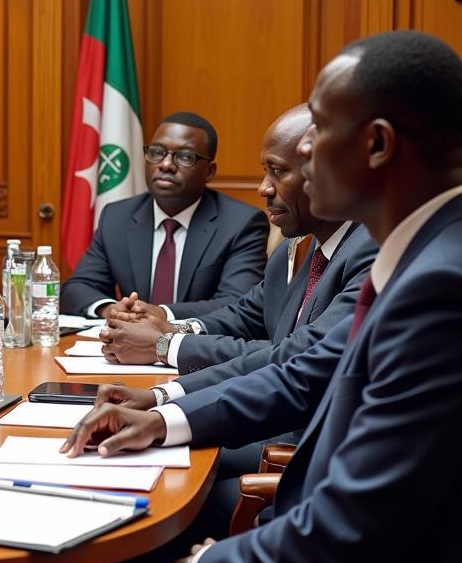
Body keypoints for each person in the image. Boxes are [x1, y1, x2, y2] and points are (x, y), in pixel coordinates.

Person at [64, 30, 462, 563]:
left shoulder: (440, 285)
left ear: (376, 144)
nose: (301, 158)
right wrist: (165, 416)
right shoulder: (423, 251)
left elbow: (348, 526)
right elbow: (307, 379)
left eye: (318, 131)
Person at [98, 104, 376, 387]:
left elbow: (300, 354)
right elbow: (246, 315)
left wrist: (164, 345)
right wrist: (167, 326)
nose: (263, 188)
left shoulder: (372, 251)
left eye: (278, 171)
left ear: (334, 175)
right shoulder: (297, 246)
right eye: (265, 171)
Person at [60, 112, 268, 319]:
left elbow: (237, 302)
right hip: (126, 345)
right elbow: (77, 287)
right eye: (157, 152)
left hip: (196, 347)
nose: (166, 164)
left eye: (185, 157)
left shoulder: (241, 224)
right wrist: (111, 309)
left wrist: (161, 313)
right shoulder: (117, 217)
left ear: (209, 172)